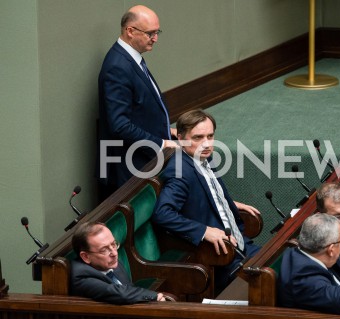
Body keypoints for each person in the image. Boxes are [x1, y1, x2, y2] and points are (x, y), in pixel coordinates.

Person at [151, 109, 261, 292]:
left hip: (242, 247)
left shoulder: (203, 157)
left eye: (210, 136)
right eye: (198, 138)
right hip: (223, 262)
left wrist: (229, 203)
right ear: (180, 138)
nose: (206, 144)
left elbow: (205, 192)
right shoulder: (180, 172)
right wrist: (204, 231)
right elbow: (162, 213)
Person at [96, 5, 178, 197]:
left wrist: (168, 131)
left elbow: (140, 109)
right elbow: (120, 125)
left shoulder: (131, 58)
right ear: (130, 31)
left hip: (143, 160)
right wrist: (162, 143)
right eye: (150, 33)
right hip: (131, 169)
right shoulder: (117, 66)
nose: (155, 38)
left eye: (157, 32)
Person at [70, 221, 165, 304]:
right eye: (104, 250)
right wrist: (155, 297)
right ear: (86, 256)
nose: (114, 253)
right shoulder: (80, 275)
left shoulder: (109, 261)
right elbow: (120, 294)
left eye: (113, 244)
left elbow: (129, 289)